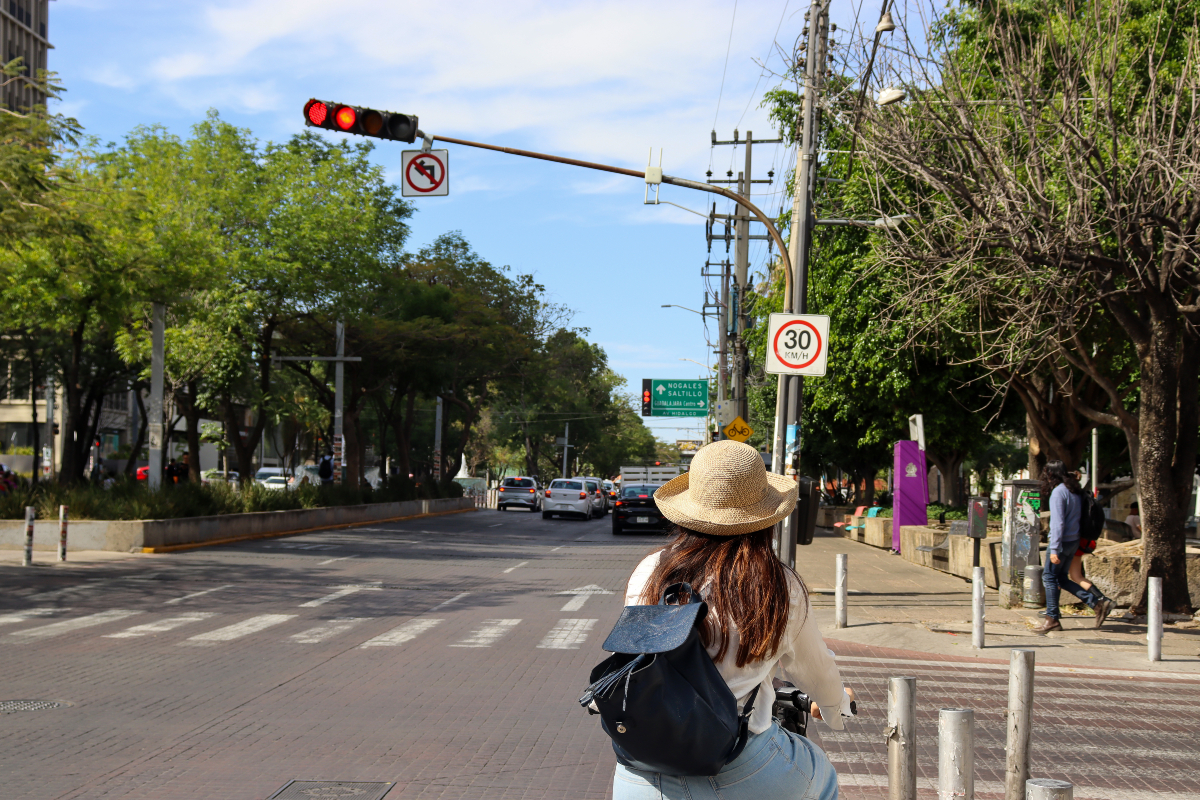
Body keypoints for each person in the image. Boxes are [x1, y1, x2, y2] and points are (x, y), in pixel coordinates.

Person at [613, 440, 852, 800]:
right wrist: (836, 709)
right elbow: (815, 669)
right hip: (740, 765)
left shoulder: (651, 571)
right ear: (764, 519)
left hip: (639, 771)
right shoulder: (776, 585)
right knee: (824, 781)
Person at [1034, 461, 1113, 633]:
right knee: (1062, 578)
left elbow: (1057, 523)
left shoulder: (1058, 493)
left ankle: (1052, 619)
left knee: (1049, 578)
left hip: (1061, 543)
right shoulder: (1074, 490)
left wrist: (1054, 549)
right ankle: (1096, 603)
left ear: (1050, 474)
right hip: (1073, 541)